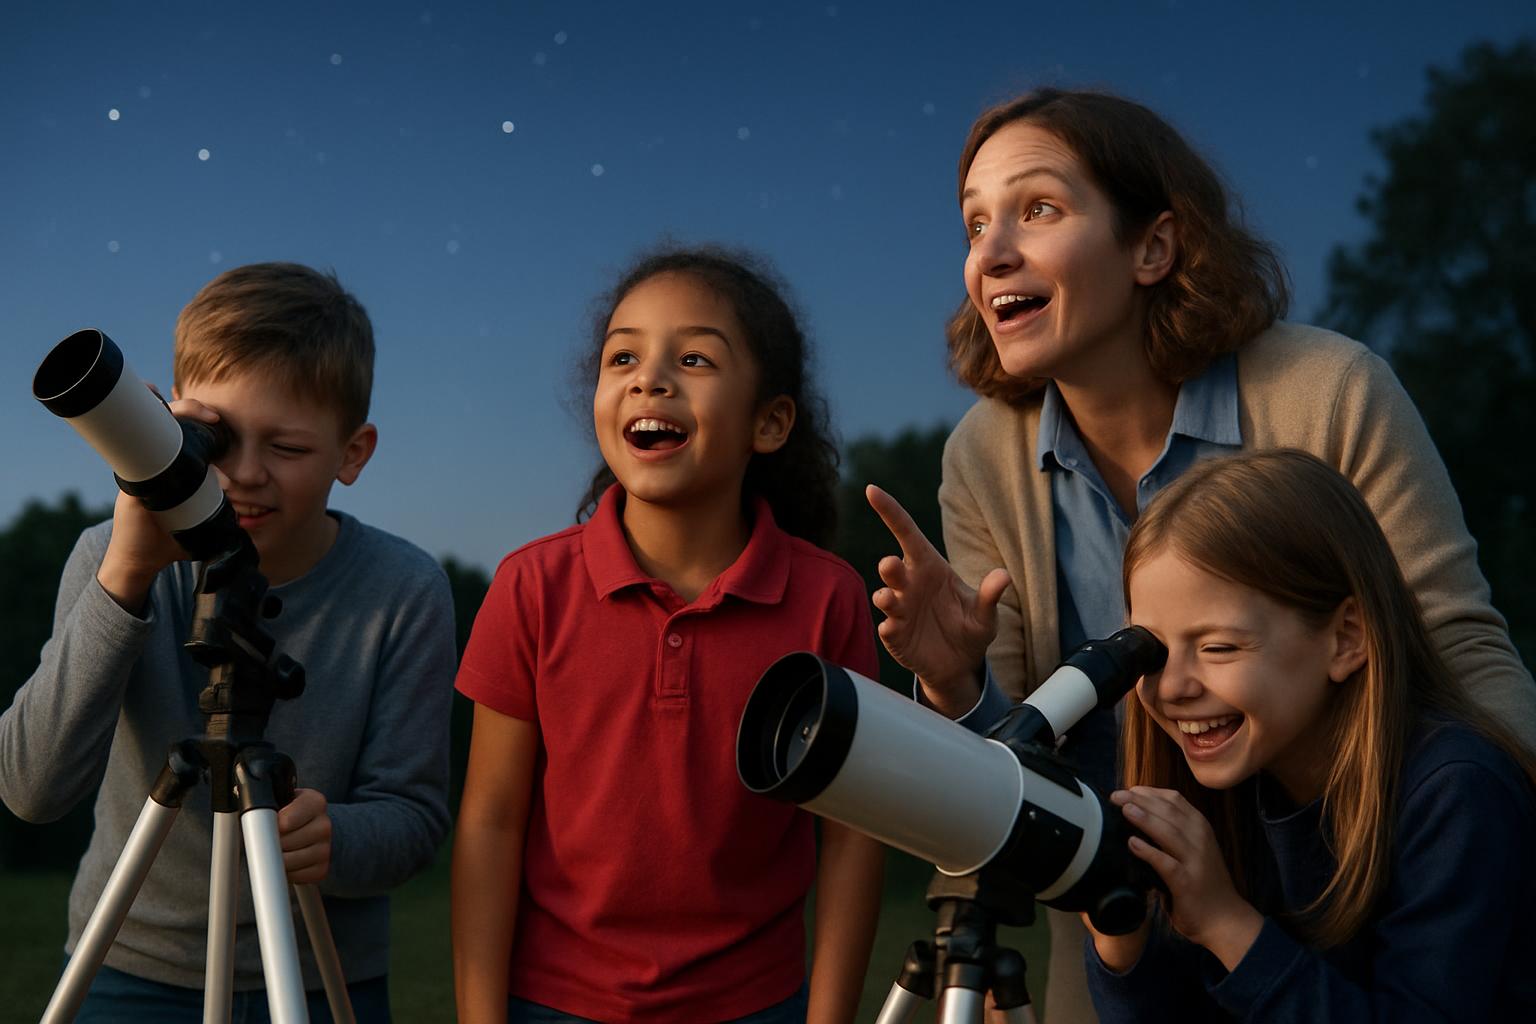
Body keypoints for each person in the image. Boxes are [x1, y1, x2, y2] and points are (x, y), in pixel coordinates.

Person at [864, 88, 1536, 1022]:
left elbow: (1459, 651)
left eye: (1039, 209)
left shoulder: (1327, 392)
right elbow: (1011, 774)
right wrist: (954, 682)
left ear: (1155, 247)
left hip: (1377, 910)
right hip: (1139, 926)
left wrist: (1463, 884)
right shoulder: (983, 456)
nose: (992, 252)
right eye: (975, 222)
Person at [0, 262, 456, 1021]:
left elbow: (414, 817)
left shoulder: (403, 590)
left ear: (353, 453)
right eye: (214, 435)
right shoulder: (109, 559)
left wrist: (338, 837)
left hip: (317, 976)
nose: (244, 473)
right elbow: (29, 786)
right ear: (170, 418)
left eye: (287, 448)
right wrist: (129, 572)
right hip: (131, 964)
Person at [451, 246, 885, 1024]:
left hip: (759, 1005)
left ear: (770, 422)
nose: (649, 379)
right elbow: (490, 822)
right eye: (624, 356)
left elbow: (852, 839)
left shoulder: (829, 598)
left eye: (693, 358)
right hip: (554, 1003)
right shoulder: (530, 588)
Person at [1083, 448, 1536, 1021]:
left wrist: (1226, 925)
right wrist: (1122, 945)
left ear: (1346, 637)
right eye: (1150, 651)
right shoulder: (1229, 788)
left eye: (1218, 647)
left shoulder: (1457, 793)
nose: (1171, 687)